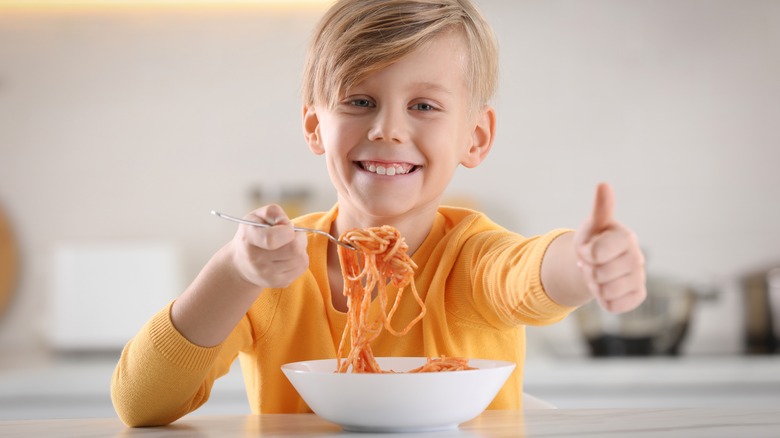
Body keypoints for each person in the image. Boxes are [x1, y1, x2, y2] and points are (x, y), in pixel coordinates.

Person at [111, 0, 646, 427]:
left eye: (424, 106)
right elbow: (141, 404)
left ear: (476, 137)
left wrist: (582, 263)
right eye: (359, 101)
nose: (387, 129)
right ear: (314, 127)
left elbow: (524, 273)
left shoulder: (470, 256)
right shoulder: (274, 274)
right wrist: (235, 272)